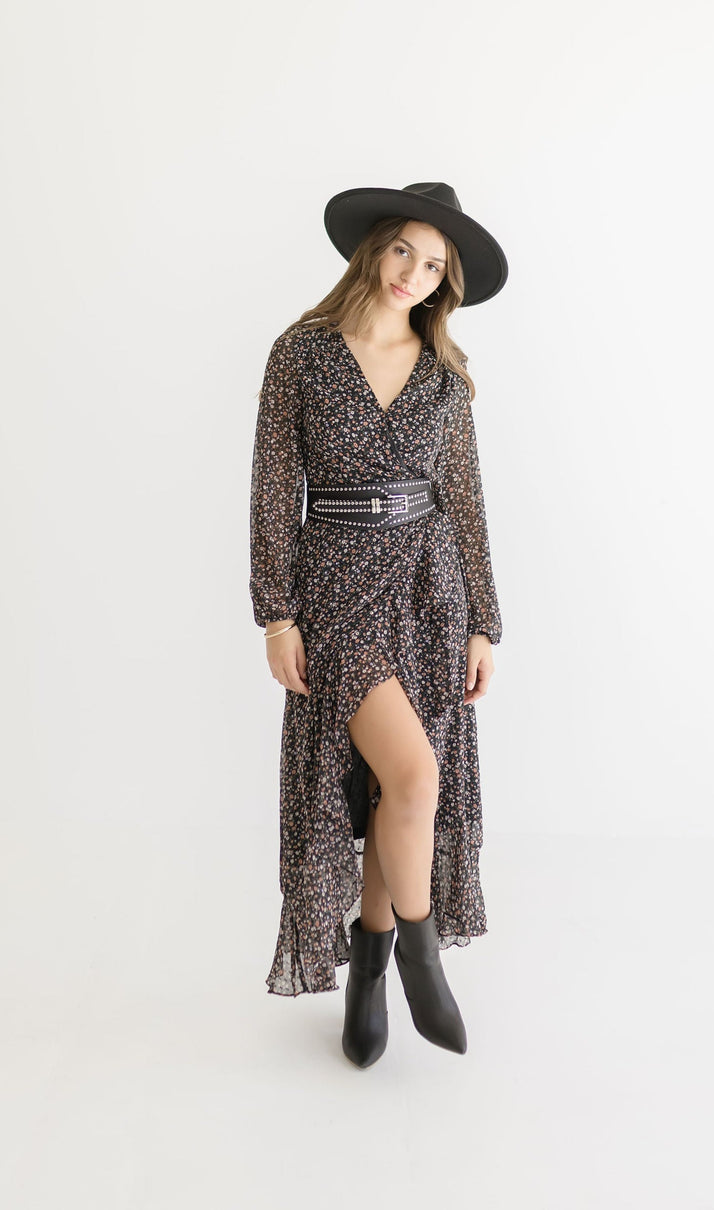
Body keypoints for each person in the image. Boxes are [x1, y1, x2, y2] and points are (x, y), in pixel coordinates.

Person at [249, 181, 507, 1067]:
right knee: (415, 773)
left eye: (434, 267)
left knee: (393, 790)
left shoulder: (443, 375)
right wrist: (276, 615)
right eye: (405, 250)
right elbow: (273, 490)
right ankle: (420, 959)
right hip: (337, 584)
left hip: (431, 589)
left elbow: (464, 500)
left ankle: (369, 969)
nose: (414, 275)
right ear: (374, 248)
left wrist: (483, 622)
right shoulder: (303, 353)